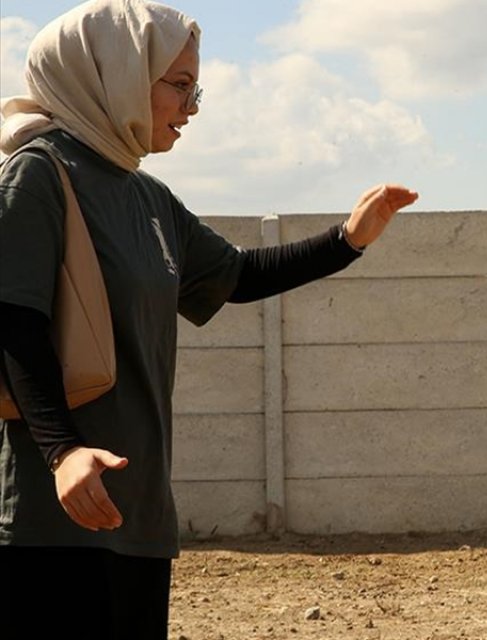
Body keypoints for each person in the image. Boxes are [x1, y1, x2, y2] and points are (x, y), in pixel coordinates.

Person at [0, 1, 418, 636]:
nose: (191, 106)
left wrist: (347, 241)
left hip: (135, 515)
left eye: (197, 88)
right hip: (50, 520)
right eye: (178, 85)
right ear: (111, 74)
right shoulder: (37, 174)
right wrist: (62, 453)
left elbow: (236, 275)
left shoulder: (146, 196)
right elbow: (13, 320)